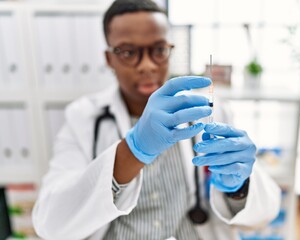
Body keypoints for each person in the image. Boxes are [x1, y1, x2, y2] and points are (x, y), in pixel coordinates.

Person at [32, 0, 281, 239]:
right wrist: (132, 151)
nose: (147, 65)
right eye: (129, 52)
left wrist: (239, 188)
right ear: (110, 59)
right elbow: (50, 223)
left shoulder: (208, 110)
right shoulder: (83, 117)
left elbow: (264, 211)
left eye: (159, 50)